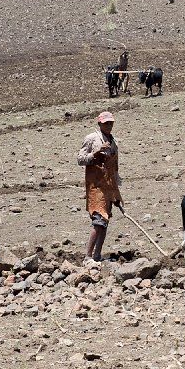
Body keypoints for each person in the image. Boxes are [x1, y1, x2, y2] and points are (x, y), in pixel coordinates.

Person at [77, 111, 123, 263]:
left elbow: (114, 169)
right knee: (99, 220)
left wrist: (116, 194)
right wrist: (95, 154)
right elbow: (80, 159)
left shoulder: (113, 142)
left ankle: (97, 256)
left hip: (108, 187)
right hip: (96, 186)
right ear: (99, 124)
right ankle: (88, 256)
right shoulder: (91, 139)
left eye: (111, 123)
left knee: (105, 222)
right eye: (106, 123)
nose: (109, 126)